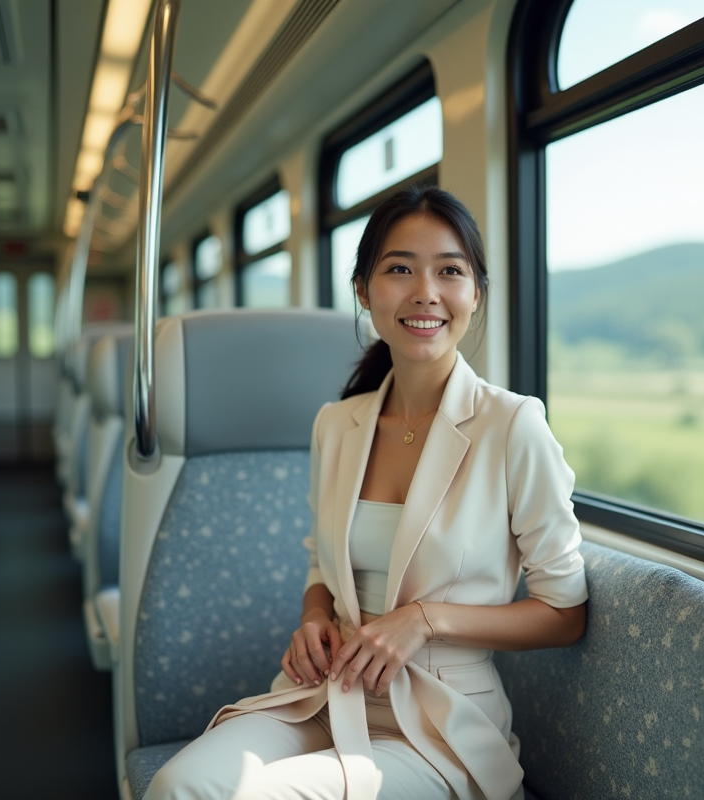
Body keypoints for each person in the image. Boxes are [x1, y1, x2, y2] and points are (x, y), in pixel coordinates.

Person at [144, 186, 588, 800]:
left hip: (441, 722)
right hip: (329, 692)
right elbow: (319, 563)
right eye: (399, 268)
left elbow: (565, 613)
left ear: (475, 293)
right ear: (363, 290)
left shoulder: (513, 426)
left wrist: (424, 622)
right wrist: (314, 617)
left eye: (449, 271)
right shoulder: (338, 424)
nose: (425, 291)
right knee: (179, 785)